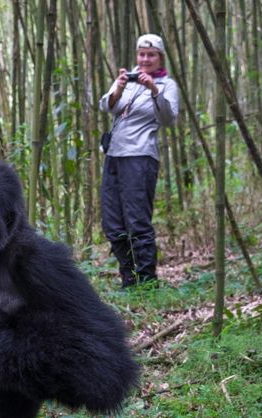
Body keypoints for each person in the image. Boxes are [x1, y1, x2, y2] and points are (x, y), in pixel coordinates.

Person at [99, 33, 179, 288]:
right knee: (112, 223)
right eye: (142, 54)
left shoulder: (167, 85)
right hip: (114, 155)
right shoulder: (128, 79)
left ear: (160, 58)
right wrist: (120, 86)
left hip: (140, 157)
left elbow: (168, 118)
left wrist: (154, 90)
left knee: (137, 222)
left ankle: (147, 281)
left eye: (151, 55)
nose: (145, 59)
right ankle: (128, 278)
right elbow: (107, 106)